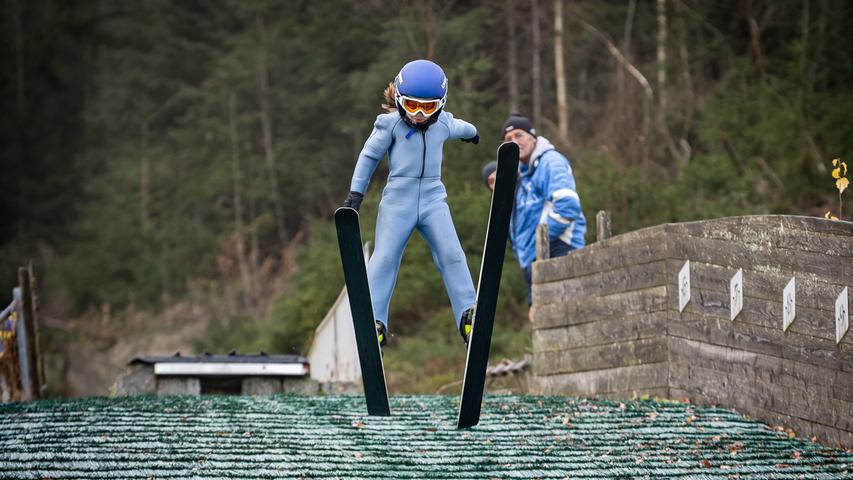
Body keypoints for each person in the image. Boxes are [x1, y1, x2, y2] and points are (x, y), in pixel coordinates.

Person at [343, 59, 481, 347]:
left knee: (452, 255)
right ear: (399, 101)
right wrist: (356, 195)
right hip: (398, 202)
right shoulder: (389, 125)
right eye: (413, 105)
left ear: (440, 104)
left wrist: (473, 133)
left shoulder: (441, 123)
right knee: (384, 259)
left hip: (433, 200)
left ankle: (468, 315)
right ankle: (376, 321)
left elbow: (461, 127)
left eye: (428, 107)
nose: (419, 114)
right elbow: (368, 157)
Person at [483, 113, 586, 320]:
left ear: (533, 136)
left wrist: (542, 243)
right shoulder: (522, 175)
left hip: (558, 251)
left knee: (565, 320)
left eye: (519, 135)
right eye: (508, 140)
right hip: (536, 261)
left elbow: (568, 205)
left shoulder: (550, 162)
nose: (515, 142)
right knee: (548, 327)